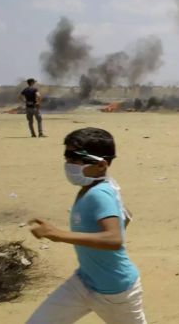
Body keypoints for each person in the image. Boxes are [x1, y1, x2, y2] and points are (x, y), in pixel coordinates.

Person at [26, 128, 145, 324]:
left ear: (101, 165)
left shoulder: (99, 194)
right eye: (67, 157)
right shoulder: (100, 187)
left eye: (76, 158)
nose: (69, 164)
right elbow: (126, 215)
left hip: (115, 293)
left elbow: (114, 239)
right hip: (83, 281)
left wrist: (56, 234)